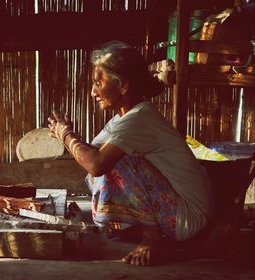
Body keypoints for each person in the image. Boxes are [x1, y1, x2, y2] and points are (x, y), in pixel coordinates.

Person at [47, 41, 211, 266]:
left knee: (116, 162)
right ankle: (152, 234)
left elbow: (97, 163)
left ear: (122, 85)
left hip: (187, 218)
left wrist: (66, 135)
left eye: (98, 83)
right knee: (102, 161)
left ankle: (154, 239)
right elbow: (89, 155)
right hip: (175, 213)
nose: (93, 91)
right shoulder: (123, 120)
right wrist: (66, 135)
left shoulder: (139, 119)